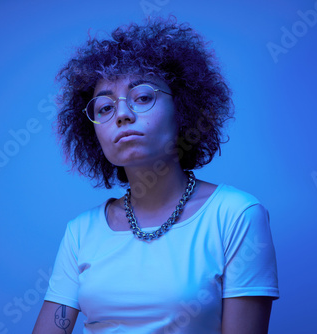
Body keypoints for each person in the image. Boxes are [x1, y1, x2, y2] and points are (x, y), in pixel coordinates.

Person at [33, 16, 279, 334]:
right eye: (105, 107)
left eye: (144, 97)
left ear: (183, 110)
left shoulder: (235, 215)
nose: (122, 114)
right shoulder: (81, 232)